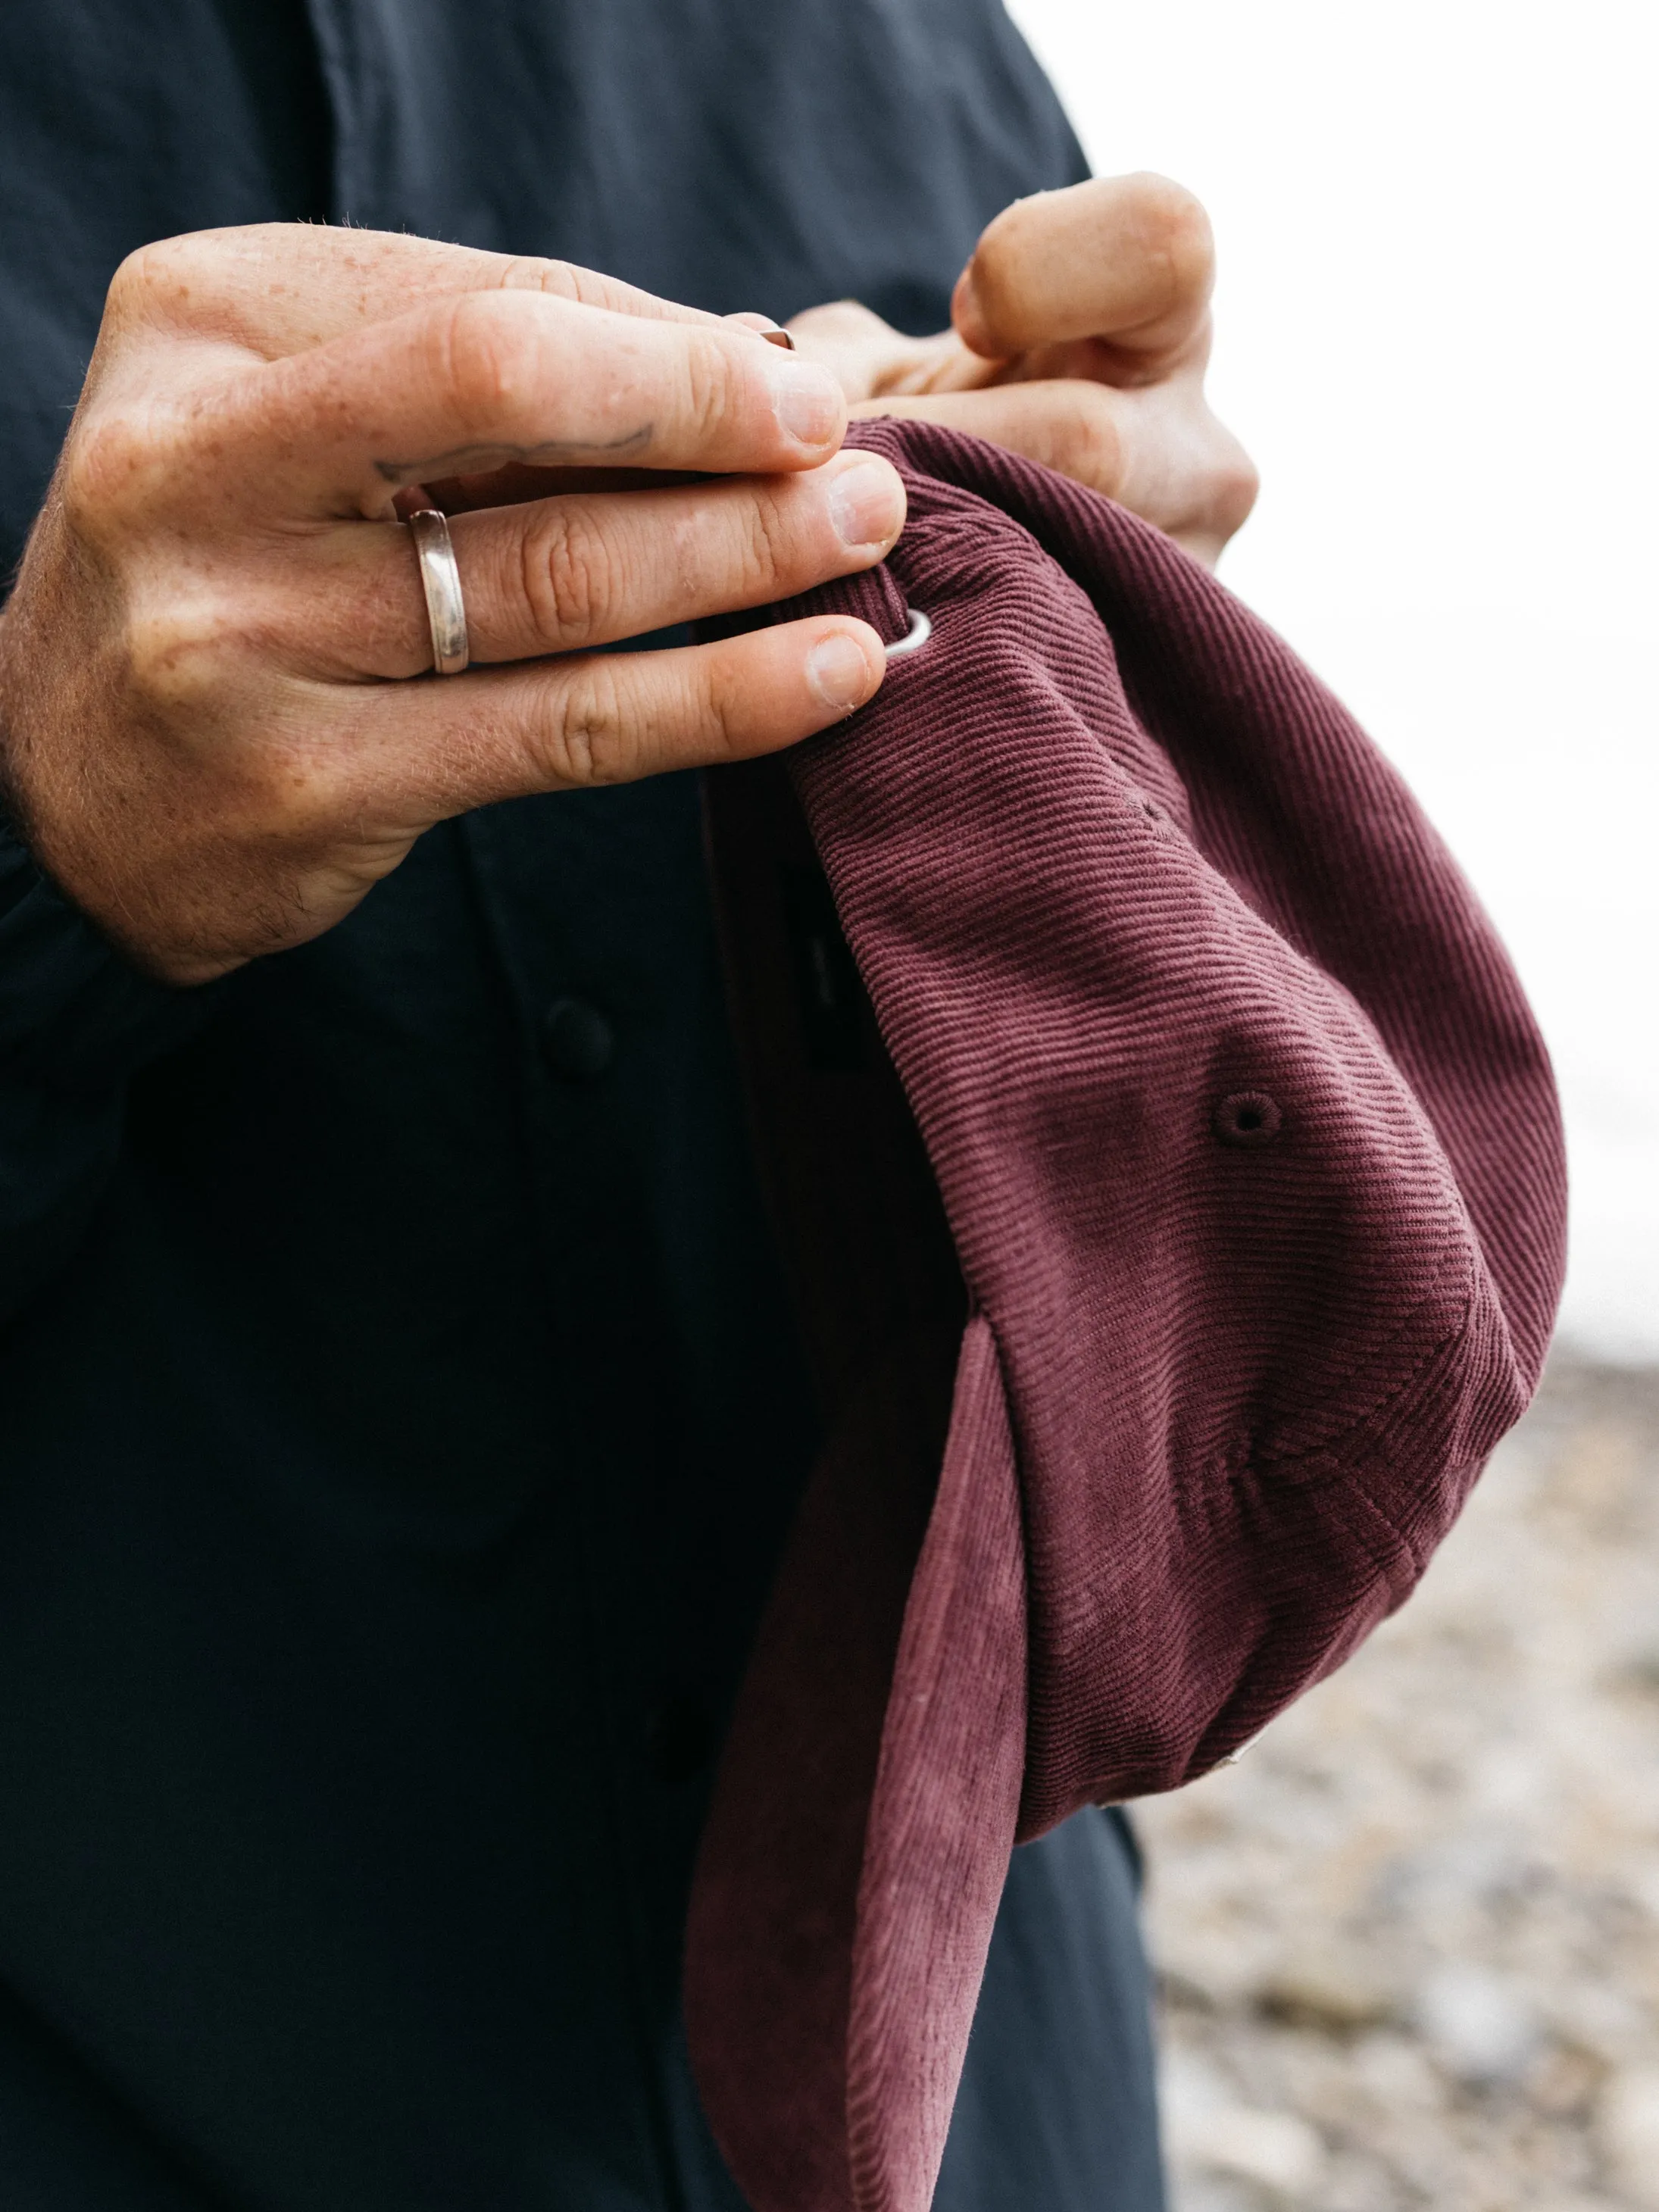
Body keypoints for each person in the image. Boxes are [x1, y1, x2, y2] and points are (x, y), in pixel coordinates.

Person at [0, 5, 1255, 2206]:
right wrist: (50, 845)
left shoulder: (911, 51)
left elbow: (1113, 1194)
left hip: (981, 2082)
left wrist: (1113, 679)